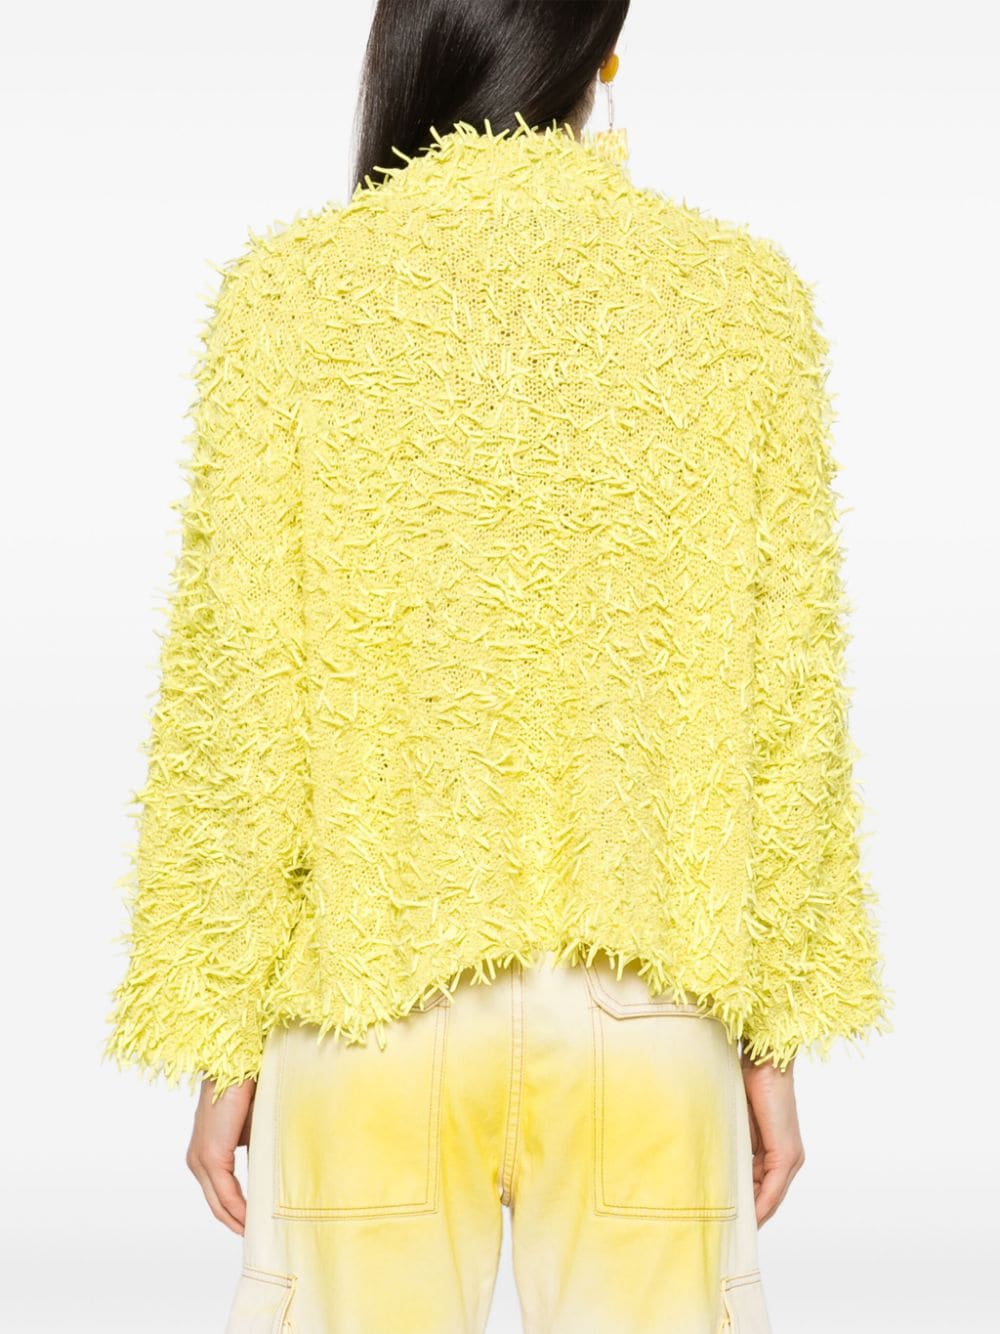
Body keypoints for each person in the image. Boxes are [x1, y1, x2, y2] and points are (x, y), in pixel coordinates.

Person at [103, 3, 888, 1331]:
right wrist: (773, 1038)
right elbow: (788, 699)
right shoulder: (742, 301)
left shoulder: (290, 299)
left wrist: (219, 1035)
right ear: (602, 54)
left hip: (368, 1001)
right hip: (649, 1008)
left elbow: (236, 697)